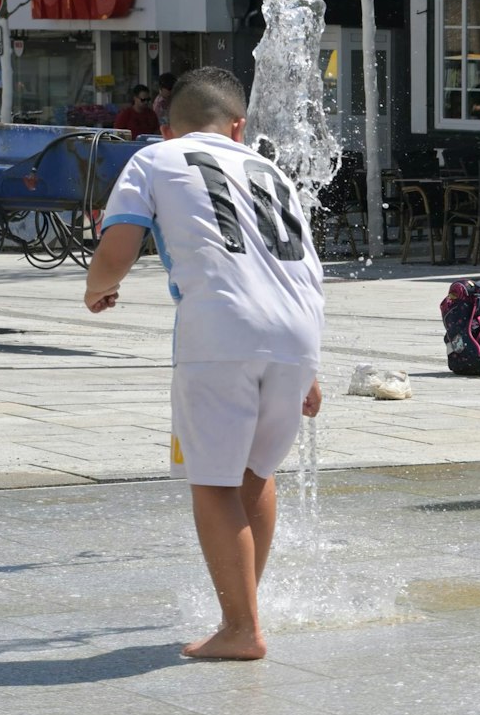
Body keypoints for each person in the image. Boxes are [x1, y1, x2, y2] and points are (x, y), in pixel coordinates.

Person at [84, 67, 325, 660]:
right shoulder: (274, 172)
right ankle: (241, 612)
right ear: (237, 127)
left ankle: (242, 629)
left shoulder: (154, 160)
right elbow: (294, 263)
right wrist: (310, 368)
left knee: (213, 481)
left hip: (219, 332)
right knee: (255, 473)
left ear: (170, 127)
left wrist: (96, 288)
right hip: (297, 334)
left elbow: (118, 247)